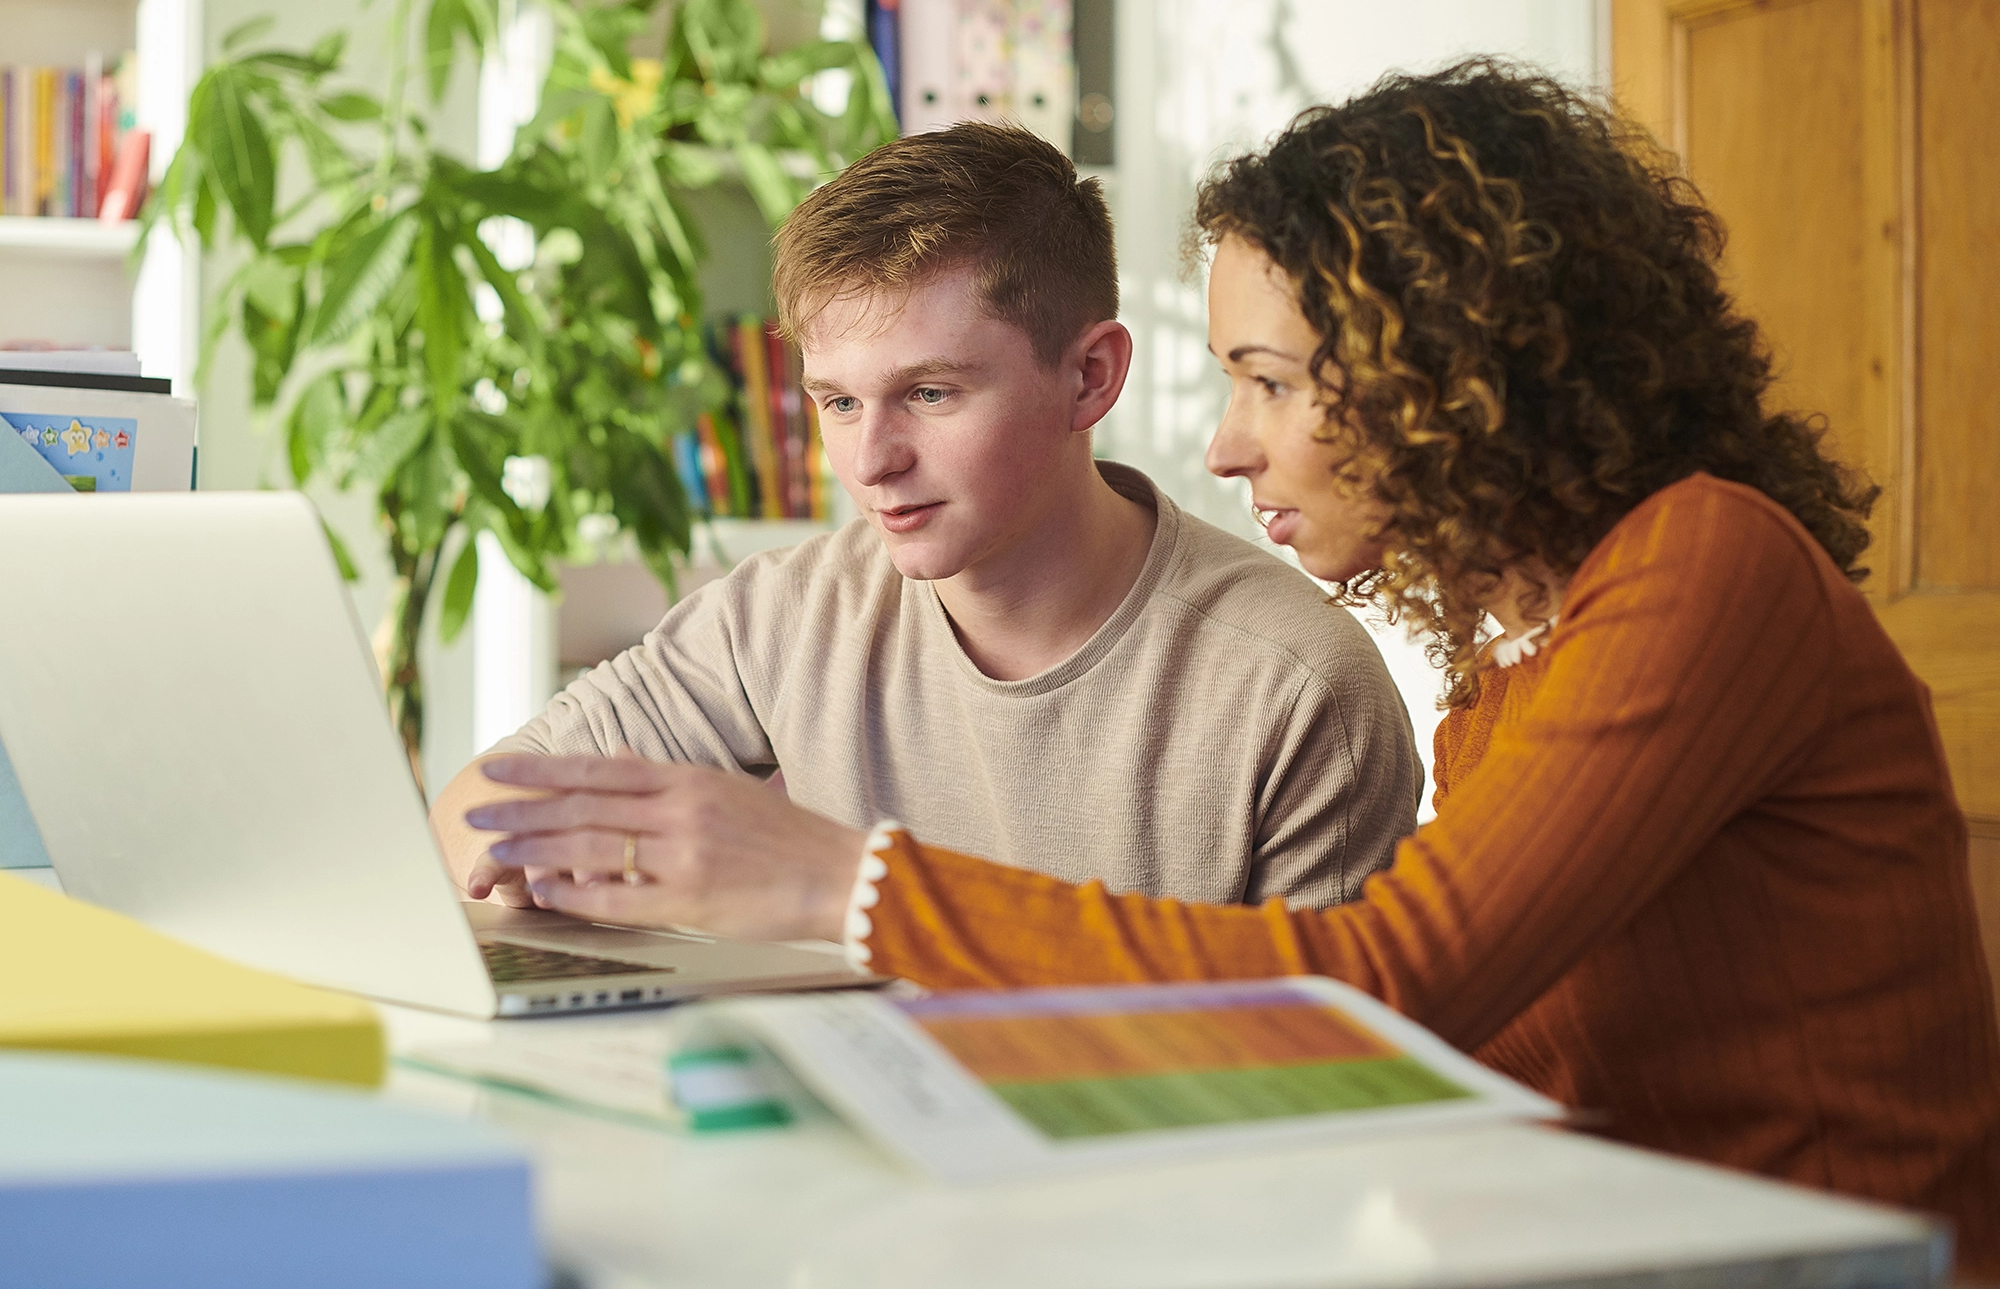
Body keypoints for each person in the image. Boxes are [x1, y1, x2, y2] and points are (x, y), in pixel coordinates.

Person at [461, 63, 2000, 1265]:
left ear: (1449, 369)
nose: (1226, 441)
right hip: (1590, 1238)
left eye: (1271, 378)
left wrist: (838, 884)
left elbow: (1384, 996)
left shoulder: (1706, 569)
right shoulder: (1525, 645)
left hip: (1810, 1261)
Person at [434, 122, 1421, 915]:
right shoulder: (779, 618)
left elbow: (1315, 1086)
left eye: (930, 394)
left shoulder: (1294, 689)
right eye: (838, 402)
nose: (871, 462)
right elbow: (473, 815)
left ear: (1088, 378)